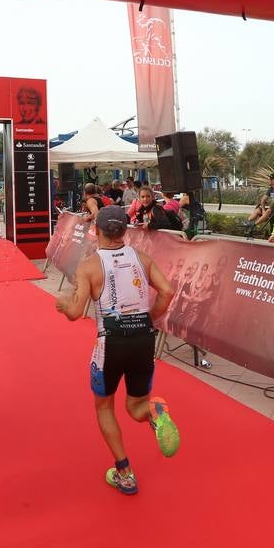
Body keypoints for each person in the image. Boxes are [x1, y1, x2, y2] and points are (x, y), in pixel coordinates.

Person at [54, 205, 179, 495]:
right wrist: (150, 318)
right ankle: (155, 414)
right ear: (125, 231)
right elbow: (168, 291)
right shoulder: (142, 258)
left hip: (110, 341)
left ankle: (125, 473)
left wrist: (62, 305)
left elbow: (75, 312)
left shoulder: (89, 265)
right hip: (143, 338)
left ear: (95, 230)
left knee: (104, 406)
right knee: (136, 407)